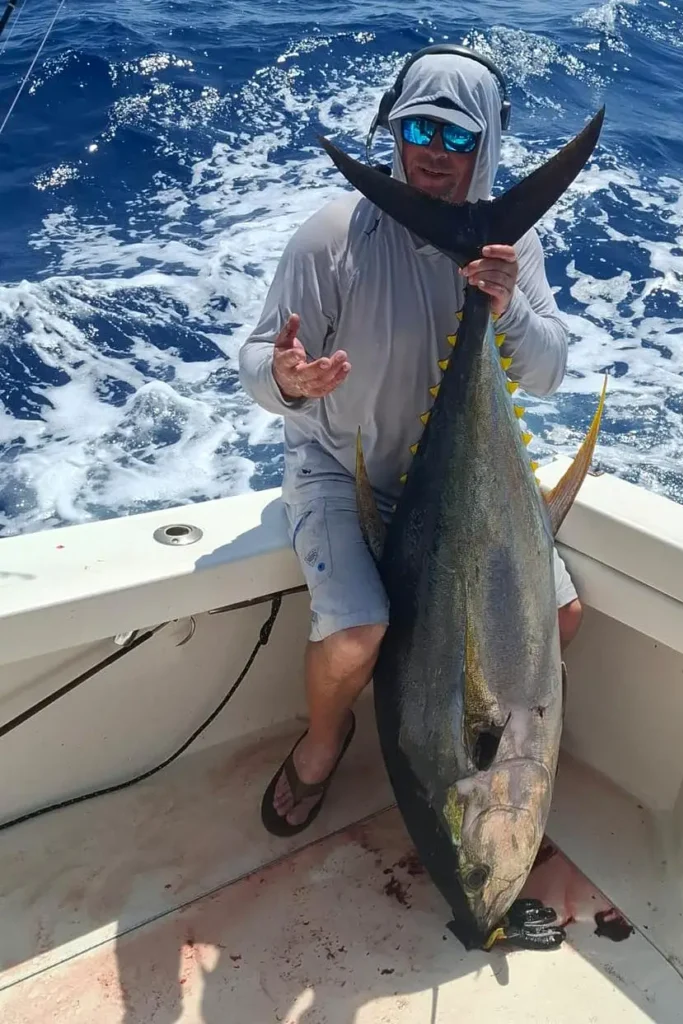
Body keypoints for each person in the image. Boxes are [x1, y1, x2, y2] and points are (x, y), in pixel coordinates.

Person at [238, 45, 584, 837]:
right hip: (339, 468)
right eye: (418, 128)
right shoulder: (334, 237)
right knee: (358, 637)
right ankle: (326, 741)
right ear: (392, 130)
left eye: (458, 138)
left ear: (487, 147)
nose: (434, 150)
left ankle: (518, 758)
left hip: (460, 483)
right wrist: (290, 379)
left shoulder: (512, 242)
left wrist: (508, 309)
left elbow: (550, 370)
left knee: (560, 621)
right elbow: (254, 362)